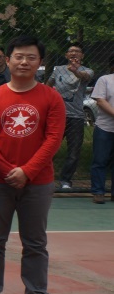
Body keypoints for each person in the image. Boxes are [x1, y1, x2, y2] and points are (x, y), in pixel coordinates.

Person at [0, 35, 65, 294]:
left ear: (40, 62)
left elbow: (53, 139)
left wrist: (27, 171)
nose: (24, 62)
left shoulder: (51, 97)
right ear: (8, 60)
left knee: (35, 242)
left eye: (31, 57)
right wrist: (6, 169)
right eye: (19, 57)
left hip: (38, 182)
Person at [47, 43, 93, 190]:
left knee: (73, 152)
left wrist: (76, 71)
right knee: (49, 148)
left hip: (76, 117)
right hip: (57, 116)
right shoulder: (58, 69)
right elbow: (48, 85)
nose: (74, 53)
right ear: (66, 55)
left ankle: (65, 180)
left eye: (77, 51)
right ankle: (44, 176)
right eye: (71, 51)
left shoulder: (87, 71)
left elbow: (85, 76)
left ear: (82, 55)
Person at [90, 57, 114, 204]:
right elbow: (100, 100)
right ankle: (98, 192)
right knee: (100, 160)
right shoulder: (105, 80)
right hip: (105, 127)